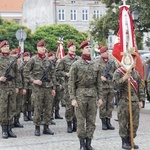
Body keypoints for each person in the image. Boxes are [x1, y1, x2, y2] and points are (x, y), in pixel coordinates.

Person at [68, 40, 103, 150]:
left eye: (90, 47)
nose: (88, 49)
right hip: (80, 95)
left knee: (91, 121)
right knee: (81, 121)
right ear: (82, 49)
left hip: (92, 95)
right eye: (86, 47)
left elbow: (99, 83)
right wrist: (73, 98)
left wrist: (100, 97)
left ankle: (89, 142)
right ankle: (82, 143)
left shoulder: (95, 64)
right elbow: (71, 82)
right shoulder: (76, 64)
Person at [23, 40, 56, 136]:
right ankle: (37, 127)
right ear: (37, 48)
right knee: (37, 108)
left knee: (48, 108)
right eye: (41, 47)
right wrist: (34, 80)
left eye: (44, 47)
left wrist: (53, 87)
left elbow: (53, 74)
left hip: (48, 87)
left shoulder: (49, 61)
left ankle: (46, 127)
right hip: (38, 88)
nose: (43, 48)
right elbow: (25, 72)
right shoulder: (33, 60)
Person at [113, 54, 144, 149]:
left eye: (134, 60)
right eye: (131, 60)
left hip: (134, 101)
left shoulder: (136, 73)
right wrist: (123, 78)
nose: (133, 62)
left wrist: (141, 100)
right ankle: (124, 141)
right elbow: (115, 86)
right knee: (123, 122)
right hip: (123, 101)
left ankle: (131, 140)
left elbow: (140, 87)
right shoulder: (118, 72)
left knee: (134, 123)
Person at [56, 41, 80, 133]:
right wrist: (65, 74)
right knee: (69, 106)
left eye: (74, 46)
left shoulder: (79, 59)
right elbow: (57, 71)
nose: (73, 47)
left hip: (78, 86)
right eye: (71, 46)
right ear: (68, 48)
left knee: (77, 106)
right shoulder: (64, 59)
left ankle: (76, 123)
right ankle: (69, 123)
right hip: (68, 86)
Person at [0, 40, 21, 138]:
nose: (6, 48)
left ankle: (10, 128)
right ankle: (4, 129)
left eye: (8, 46)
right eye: (4, 46)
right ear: (1, 48)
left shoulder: (13, 59)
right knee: (3, 108)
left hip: (12, 86)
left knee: (12, 107)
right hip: (2, 88)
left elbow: (17, 74)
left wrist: (17, 86)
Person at [95, 46, 117, 130]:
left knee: (110, 105)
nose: (107, 53)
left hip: (110, 86)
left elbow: (116, 71)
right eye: (105, 52)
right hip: (102, 87)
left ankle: (108, 121)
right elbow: (94, 73)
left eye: (108, 51)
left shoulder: (112, 61)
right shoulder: (97, 62)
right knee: (103, 105)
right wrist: (100, 77)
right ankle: (103, 122)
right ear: (102, 53)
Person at [10, 49, 24, 128]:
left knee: (18, 104)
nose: (16, 57)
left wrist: (21, 87)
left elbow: (23, 77)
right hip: (12, 87)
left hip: (20, 86)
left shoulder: (20, 65)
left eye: (17, 56)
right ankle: (10, 121)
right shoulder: (10, 64)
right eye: (14, 55)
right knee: (12, 105)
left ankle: (16, 120)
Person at [48, 51, 63, 120]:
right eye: (52, 56)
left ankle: (57, 113)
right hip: (50, 84)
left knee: (57, 99)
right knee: (51, 101)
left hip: (57, 83)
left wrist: (59, 83)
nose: (53, 57)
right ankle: (50, 115)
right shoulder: (48, 64)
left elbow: (57, 75)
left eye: (54, 56)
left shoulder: (55, 64)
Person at [21, 51, 33, 121]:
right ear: (24, 57)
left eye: (28, 56)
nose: (27, 58)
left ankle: (29, 114)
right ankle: (25, 115)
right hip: (24, 86)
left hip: (31, 85)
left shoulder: (32, 65)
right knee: (24, 101)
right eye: (26, 56)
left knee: (30, 101)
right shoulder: (21, 66)